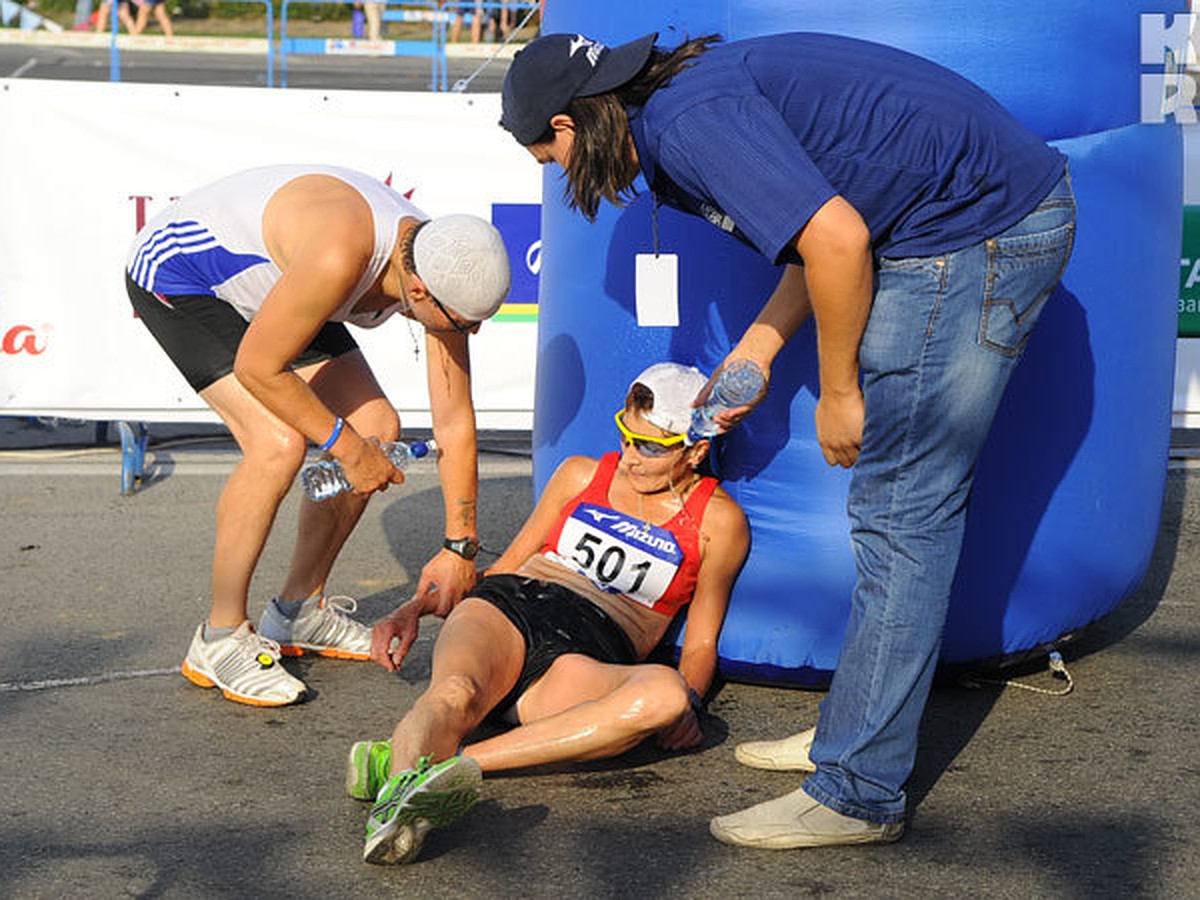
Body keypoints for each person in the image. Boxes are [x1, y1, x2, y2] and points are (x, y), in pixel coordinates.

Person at [499, 32, 1076, 848]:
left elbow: (839, 239)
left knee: (904, 512)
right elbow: (831, 215)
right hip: (954, 226)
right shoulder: (676, 103)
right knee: (893, 511)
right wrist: (761, 347)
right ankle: (858, 730)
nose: (559, 177)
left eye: (547, 159)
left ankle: (858, 791)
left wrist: (839, 392)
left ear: (568, 124)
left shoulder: (687, 123)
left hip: (976, 235)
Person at [124, 164, 511, 708]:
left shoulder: (443, 259)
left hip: (274, 283)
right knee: (277, 443)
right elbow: (261, 369)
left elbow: (454, 419)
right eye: (464, 324)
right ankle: (218, 634)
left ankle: (297, 611)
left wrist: (458, 545)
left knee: (378, 427)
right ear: (418, 290)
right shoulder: (341, 257)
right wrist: (347, 450)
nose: (470, 334)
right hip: (182, 276)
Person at [346, 362, 750, 864]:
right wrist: (417, 606)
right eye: (625, 436)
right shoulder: (582, 474)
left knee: (664, 696)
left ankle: (442, 764)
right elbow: (506, 566)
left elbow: (701, 642)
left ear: (696, 450)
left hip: (586, 654)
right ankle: (397, 811)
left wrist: (689, 702)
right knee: (452, 693)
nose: (629, 458)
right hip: (512, 605)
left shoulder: (719, 520)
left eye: (649, 447)